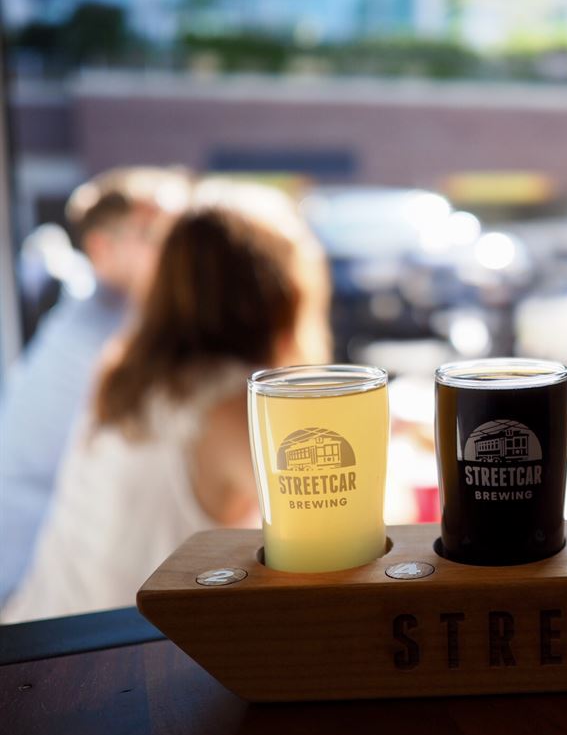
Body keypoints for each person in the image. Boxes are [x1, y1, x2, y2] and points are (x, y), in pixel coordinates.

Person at [1, 181, 331, 622]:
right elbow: (337, 536)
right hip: (128, 654)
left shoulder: (123, 376)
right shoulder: (236, 409)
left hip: (46, 631)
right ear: (282, 292)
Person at [0, 167, 189, 608]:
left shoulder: (104, 314)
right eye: (155, 233)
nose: (178, 249)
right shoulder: (107, 336)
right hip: (31, 585)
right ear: (102, 248)